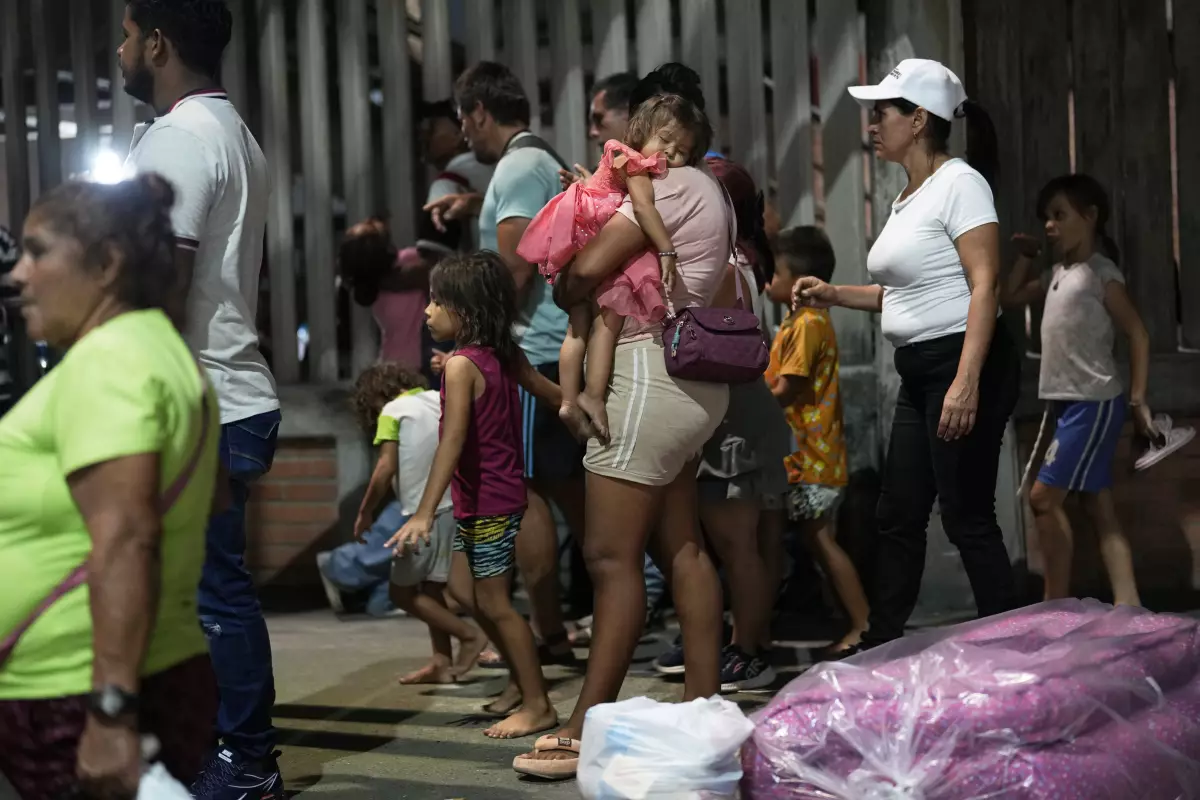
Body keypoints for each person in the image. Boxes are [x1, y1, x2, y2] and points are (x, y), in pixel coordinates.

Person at [512, 65, 732, 780]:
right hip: (694, 385)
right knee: (684, 548)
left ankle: (582, 729)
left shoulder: (661, 190)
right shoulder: (708, 189)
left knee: (610, 560)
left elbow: (578, 278)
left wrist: (576, 254)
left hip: (647, 375)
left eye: (671, 139)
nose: (660, 149)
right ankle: (704, 705)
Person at [0, 176, 219, 799]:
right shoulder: (161, 352)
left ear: (106, 263)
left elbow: (127, 537)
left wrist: (111, 713)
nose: (18, 274)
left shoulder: (111, 363)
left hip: (75, 697)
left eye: (37, 251)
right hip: (117, 680)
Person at [794, 58, 1019, 652]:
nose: (872, 124)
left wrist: (965, 383)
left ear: (919, 120)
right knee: (899, 514)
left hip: (963, 364)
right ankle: (884, 640)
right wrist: (834, 293)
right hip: (920, 371)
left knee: (966, 515)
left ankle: (1012, 646)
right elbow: (907, 291)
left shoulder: (960, 183)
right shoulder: (909, 195)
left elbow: (985, 284)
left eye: (882, 113)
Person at [119, 2, 283, 794]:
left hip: (201, 400)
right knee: (201, 589)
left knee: (213, 594)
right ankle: (221, 751)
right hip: (232, 391)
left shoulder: (178, 138)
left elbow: (164, 285)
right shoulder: (236, 134)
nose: (118, 52)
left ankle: (246, 765)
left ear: (156, 42)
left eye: (124, 34)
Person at [426, 61, 582, 674]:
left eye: (464, 121)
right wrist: (474, 209)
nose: (464, 135)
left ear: (479, 113)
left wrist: (477, 339)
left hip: (532, 341)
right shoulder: (536, 162)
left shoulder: (517, 166)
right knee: (555, 492)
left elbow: (512, 268)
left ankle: (544, 630)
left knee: (529, 493)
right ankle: (549, 627)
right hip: (548, 343)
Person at [390, 251, 561, 740]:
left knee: (496, 604)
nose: (426, 312)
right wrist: (580, 407)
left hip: (489, 502)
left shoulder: (462, 366)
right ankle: (518, 685)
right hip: (485, 499)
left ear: (463, 310)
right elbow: (550, 394)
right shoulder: (501, 353)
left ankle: (537, 703)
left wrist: (424, 513)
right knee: (466, 594)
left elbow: (454, 438)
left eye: (436, 301)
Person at [651, 157, 789, 693]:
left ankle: (749, 652)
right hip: (729, 415)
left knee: (736, 546)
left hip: (733, 417)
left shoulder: (728, 264)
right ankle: (731, 641)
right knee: (731, 545)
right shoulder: (737, 258)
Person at [1002, 174, 1160, 606]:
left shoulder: (1100, 275)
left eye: (1059, 216)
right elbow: (1011, 297)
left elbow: (1139, 335)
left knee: (1042, 499)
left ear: (1090, 217)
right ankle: (1129, 605)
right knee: (1098, 507)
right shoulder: (1056, 273)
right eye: (1046, 218)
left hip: (1094, 403)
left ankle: (1056, 608)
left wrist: (1138, 400)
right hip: (1069, 406)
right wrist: (1025, 257)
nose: (1050, 225)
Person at [518, 94, 712, 441]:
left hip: (575, 239)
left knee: (576, 330)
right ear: (642, 130)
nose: (669, 153)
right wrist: (666, 248)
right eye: (664, 140)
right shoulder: (636, 163)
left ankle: (567, 400)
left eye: (680, 150)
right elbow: (642, 207)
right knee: (607, 323)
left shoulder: (616, 153)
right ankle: (592, 396)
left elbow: (602, 190)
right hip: (597, 240)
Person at [349, 362, 489, 682]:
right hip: (456, 504)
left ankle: (468, 636)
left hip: (422, 513)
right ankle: (441, 662)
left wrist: (366, 511)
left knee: (402, 592)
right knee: (431, 588)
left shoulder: (392, 412)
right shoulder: (437, 399)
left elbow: (385, 468)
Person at [767, 225, 870, 659]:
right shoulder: (799, 321)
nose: (766, 278)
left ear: (798, 280)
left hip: (813, 456)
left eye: (774, 271)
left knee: (822, 541)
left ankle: (862, 623)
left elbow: (785, 389)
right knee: (815, 541)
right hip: (807, 455)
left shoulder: (807, 323)